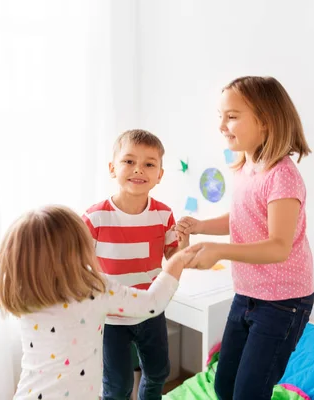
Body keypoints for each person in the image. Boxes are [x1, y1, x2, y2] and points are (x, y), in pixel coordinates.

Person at [177, 76, 314, 400]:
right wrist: (200, 226)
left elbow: (279, 246)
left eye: (232, 116)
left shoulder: (282, 177)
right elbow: (241, 218)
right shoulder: (244, 167)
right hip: (248, 294)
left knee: (248, 393)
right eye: (220, 116)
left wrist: (219, 251)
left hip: (282, 303)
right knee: (224, 384)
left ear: (265, 121)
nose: (222, 125)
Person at [0, 205, 197, 399]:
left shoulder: (24, 292)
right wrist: (178, 261)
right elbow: (153, 303)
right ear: (77, 249)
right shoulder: (93, 289)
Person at [82, 129, 189, 400]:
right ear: (112, 168)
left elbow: (174, 256)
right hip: (111, 317)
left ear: (159, 175)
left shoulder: (164, 213)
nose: (138, 169)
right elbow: (79, 265)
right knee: (117, 386)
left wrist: (184, 244)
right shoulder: (94, 218)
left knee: (158, 373)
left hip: (151, 311)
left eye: (149, 164)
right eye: (129, 161)